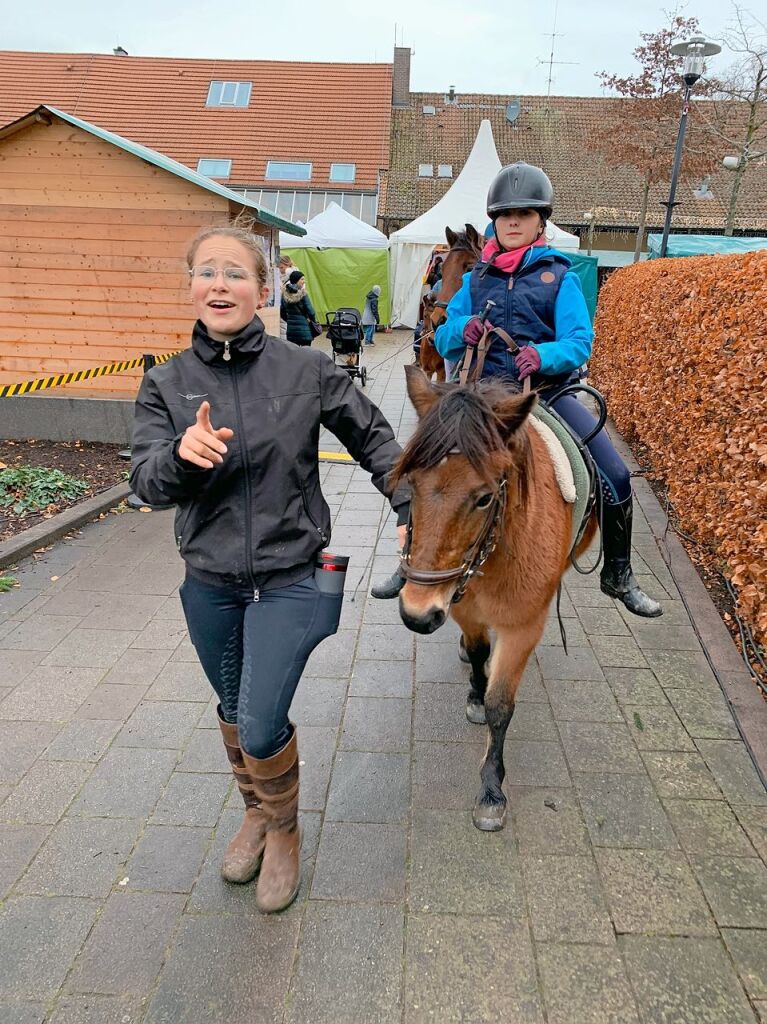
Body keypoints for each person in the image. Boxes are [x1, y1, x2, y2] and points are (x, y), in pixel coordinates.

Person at [130, 225, 409, 913]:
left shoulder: (305, 370)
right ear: (191, 285)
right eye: (205, 272)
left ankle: (283, 830)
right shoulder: (165, 383)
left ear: (263, 288)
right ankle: (254, 810)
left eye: (233, 273)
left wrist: (411, 504)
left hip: (292, 574)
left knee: (259, 721)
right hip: (209, 582)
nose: (218, 284)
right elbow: (144, 481)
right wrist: (178, 457)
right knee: (230, 710)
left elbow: (373, 438)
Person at [431, 162, 661, 617]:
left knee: (614, 474)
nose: (513, 221)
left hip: (548, 396)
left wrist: (543, 356)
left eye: (524, 213)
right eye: (505, 214)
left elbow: (579, 342)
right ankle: (410, 566)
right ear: (495, 221)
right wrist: (465, 329)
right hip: (481, 398)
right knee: (422, 464)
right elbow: (441, 337)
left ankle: (618, 574)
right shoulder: (476, 280)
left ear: (541, 221)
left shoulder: (563, 277)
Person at [280, 269, 317, 346]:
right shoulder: (303, 294)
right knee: (306, 354)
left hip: (291, 332)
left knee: (294, 354)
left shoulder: (284, 294)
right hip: (304, 331)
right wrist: (313, 321)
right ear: (297, 280)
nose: (304, 281)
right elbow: (311, 312)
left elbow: (282, 312)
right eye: (302, 279)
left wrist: (290, 320)